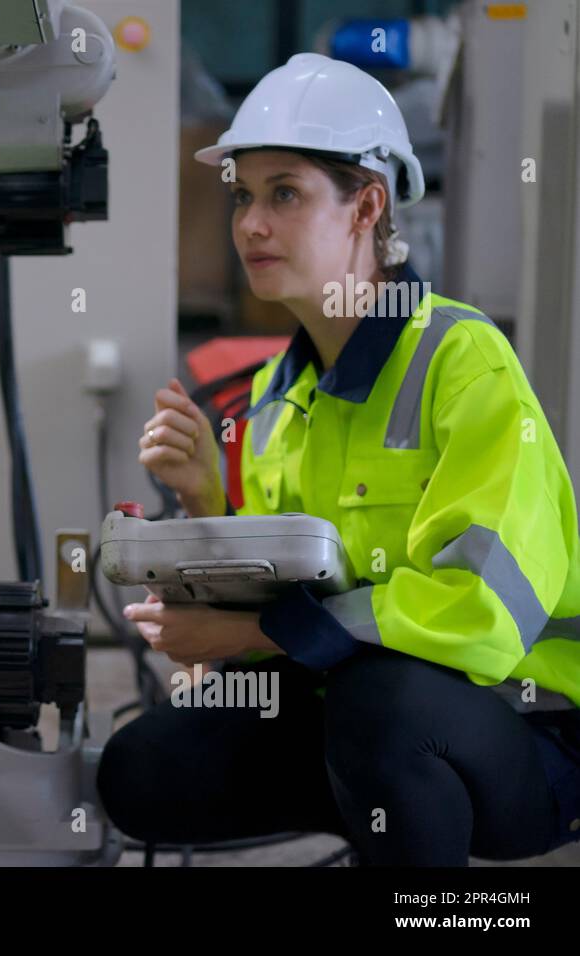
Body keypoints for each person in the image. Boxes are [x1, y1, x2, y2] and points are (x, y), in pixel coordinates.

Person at [97, 53, 580, 866]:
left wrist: (247, 628)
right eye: (243, 196)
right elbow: (295, 613)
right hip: (365, 721)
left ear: (367, 207)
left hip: (529, 733)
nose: (250, 224)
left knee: (378, 700)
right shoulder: (280, 395)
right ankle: (384, 831)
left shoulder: (463, 361)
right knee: (142, 772)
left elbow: (478, 614)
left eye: (284, 193)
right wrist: (209, 509)